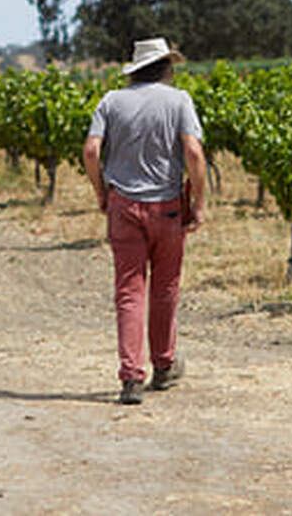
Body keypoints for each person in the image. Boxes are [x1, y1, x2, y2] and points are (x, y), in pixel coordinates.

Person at [83, 36, 206, 405]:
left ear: (135, 69)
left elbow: (91, 150)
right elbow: (194, 153)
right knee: (165, 288)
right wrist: (199, 203)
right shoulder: (179, 100)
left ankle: (131, 378)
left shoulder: (111, 101)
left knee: (129, 292)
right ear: (166, 67)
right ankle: (164, 366)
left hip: (123, 205)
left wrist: (101, 192)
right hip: (167, 206)